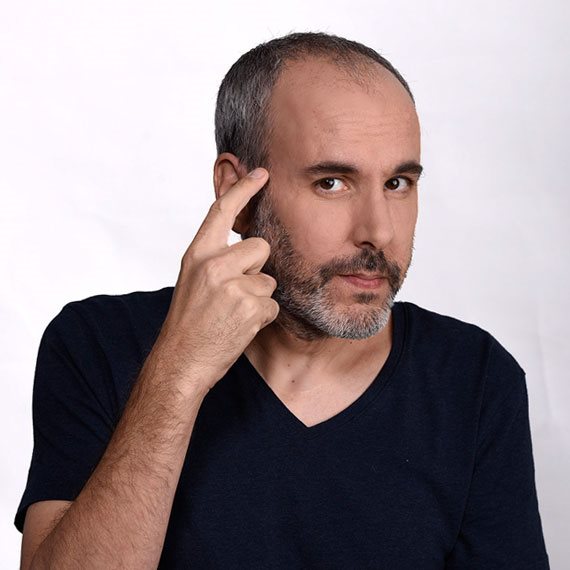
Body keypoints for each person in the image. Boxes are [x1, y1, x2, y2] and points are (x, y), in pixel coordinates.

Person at [16, 32, 549, 569]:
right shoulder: (97, 344)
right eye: (332, 183)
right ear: (238, 192)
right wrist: (178, 374)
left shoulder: (474, 379)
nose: (379, 232)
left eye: (397, 183)